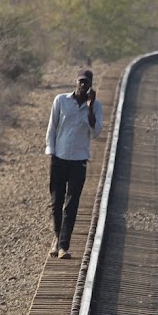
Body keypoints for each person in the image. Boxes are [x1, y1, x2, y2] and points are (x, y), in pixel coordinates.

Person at [45, 68, 104, 259]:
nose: (83, 85)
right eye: (81, 81)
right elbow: (52, 127)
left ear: (90, 85)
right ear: (76, 82)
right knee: (56, 202)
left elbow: (96, 133)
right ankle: (57, 236)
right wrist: (52, 152)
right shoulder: (61, 100)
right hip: (59, 157)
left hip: (79, 160)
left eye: (86, 82)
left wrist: (90, 106)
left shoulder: (95, 106)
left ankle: (63, 246)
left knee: (71, 204)